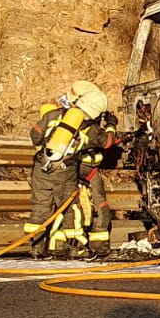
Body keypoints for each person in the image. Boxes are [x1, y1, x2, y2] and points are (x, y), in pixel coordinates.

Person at [24, 81, 112, 258]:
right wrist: (111, 124)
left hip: (41, 170)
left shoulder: (53, 114)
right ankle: (76, 249)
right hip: (65, 173)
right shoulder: (90, 128)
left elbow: (35, 136)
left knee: (41, 208)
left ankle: (36, 249)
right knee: (72, 208)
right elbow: (108, 142)